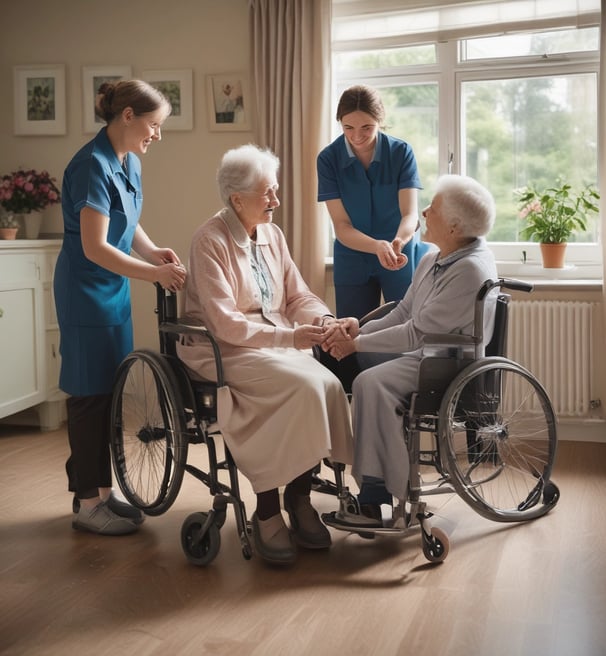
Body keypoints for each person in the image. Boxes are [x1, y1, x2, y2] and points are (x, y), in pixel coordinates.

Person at [176, 144, 353, 565]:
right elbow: (225, 325)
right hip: (225, 349)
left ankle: (299, 498)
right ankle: (268, 508)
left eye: (274, 191)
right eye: (267, 193)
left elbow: (297, 296)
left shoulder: (273, 235)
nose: (276, 200)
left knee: (327, 383)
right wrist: (293, 339)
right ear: (237, 199)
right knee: (302, 387)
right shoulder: (209, 240)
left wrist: (325, 321)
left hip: (273, 342)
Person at [322, 174, 498, 526]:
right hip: (424, 352)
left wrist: (356, 343)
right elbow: (403, 311)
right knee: (329, 357)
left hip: (446, 362)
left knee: (369, 383)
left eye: (434, 207)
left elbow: (416, 333)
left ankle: (375, 496)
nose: (426, 211)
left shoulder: (469, 270)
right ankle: (327, 459)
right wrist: (357, 329)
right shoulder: (434, 258)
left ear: (454, 226)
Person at [54, 80, 187, 536]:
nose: (158, 135)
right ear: (127, 116)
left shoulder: (126, 160)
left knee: (109, 392)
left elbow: (127, 221)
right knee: (89, 396)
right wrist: (153, 274)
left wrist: (152, 253)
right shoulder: (92, 164)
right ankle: (88, 503)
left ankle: (104, 494)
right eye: (154, 125)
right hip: (86, 289)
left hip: (113, 288)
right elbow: (94, 247)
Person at [317, 84, 430, 321]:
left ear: (379, 120)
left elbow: (410, 215)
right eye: (348, 127)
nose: (357, 136)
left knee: (404, 328)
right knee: (352, 332)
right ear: (340, 123)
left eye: (366, 127)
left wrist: (398, 241)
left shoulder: (401, 153)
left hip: (398, 252)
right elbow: (342, 226)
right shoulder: (328, 159)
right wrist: (377, 246)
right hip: (353, 255)